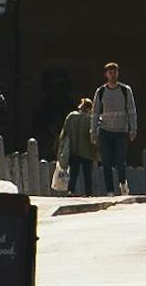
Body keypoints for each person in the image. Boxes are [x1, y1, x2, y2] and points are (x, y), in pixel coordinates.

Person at [91, 62, 141, 193]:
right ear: (106, 75)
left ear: (118, 73)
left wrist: (133, 128)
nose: (113, 75)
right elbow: (95, 112)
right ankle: (110, 190)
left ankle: (123, 183)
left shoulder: (125, 90)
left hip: (121, 131)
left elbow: (131, 110)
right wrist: (93, 131)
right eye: (110, 73)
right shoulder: (101, 92)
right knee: (106, 162)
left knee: (120, 160)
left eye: (115, 72)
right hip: (105, 130)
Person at [58, 96, 101, 195]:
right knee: (87, 174)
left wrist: (61, 147)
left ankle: (71, 190)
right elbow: (95, 135)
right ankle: (88, 193)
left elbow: (64, 133)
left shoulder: (71, 116)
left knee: (73, 173)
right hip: (87, 151)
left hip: (73, 150)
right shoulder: (90, 119)